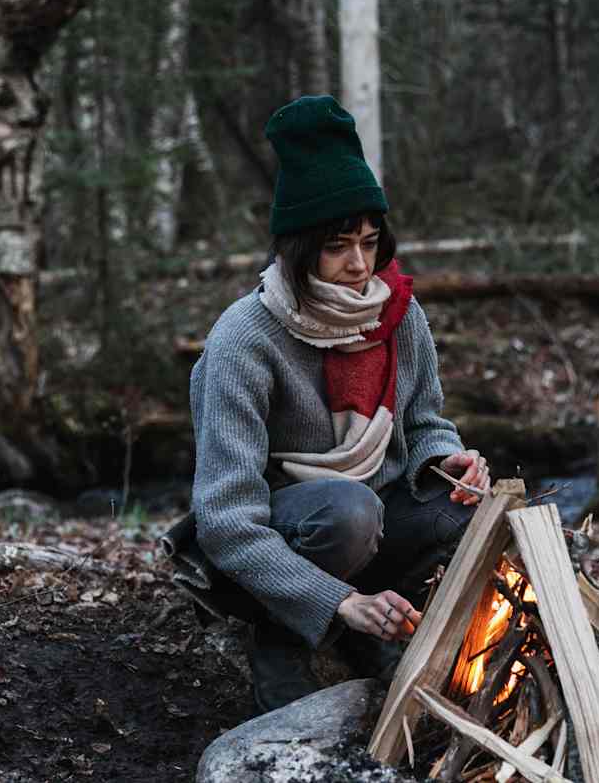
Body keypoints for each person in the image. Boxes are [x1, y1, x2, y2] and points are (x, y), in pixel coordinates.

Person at [188, 94, 490, 713]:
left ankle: (374, 630)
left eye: (370, 241)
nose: (359, 265)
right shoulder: (244, 339)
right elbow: (224, 518)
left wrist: (448, 463)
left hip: (378, 517)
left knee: (469, 514)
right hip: (281, 539)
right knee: (349, 511)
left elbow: (425, 422)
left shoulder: (399, 315)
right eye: (337, 246)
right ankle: (284, 636)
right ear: (298, 249)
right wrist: (336, 599)